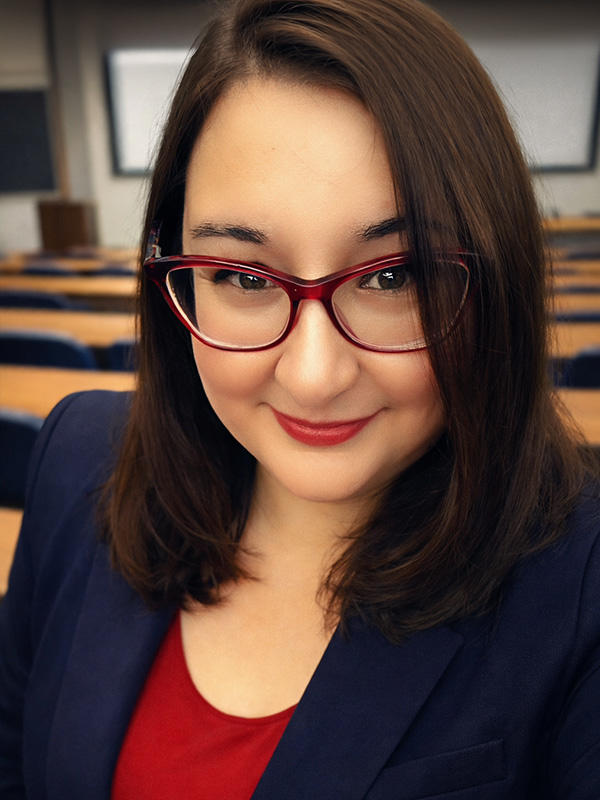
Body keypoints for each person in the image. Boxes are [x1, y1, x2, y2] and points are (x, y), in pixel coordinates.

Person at [1, 0, 599, 797]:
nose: (314, 375)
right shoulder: (78, 460)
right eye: (243, 278)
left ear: (494, 280)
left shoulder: (581, 579)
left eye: (397, 276)